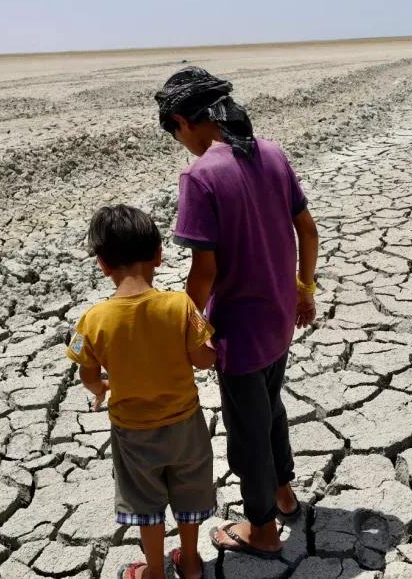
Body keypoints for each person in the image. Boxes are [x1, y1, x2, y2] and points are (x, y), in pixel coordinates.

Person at [154, 67, 320, 559]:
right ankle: (284, 494)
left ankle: (262, 530)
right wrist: (304, 290)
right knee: (270, 410)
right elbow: (306, 231)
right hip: (278, 316)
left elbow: (203, 272)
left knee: (247, 430)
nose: (181, 144)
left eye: (176, 133)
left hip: (240, 330)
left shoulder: (202, 175)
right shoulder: (271, 152)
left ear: (184, 120)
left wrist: (189, 330)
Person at [67, 204, 217, 579]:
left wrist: (101, 387)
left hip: (133, 433)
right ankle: (193, 562)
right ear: (158, 255)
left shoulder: (92, 320)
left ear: (102, 264)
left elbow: (87, 373)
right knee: (188, 493)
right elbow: (202, 360)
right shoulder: (180, 306)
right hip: (186, 424)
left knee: (147, 504)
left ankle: (154, 571)